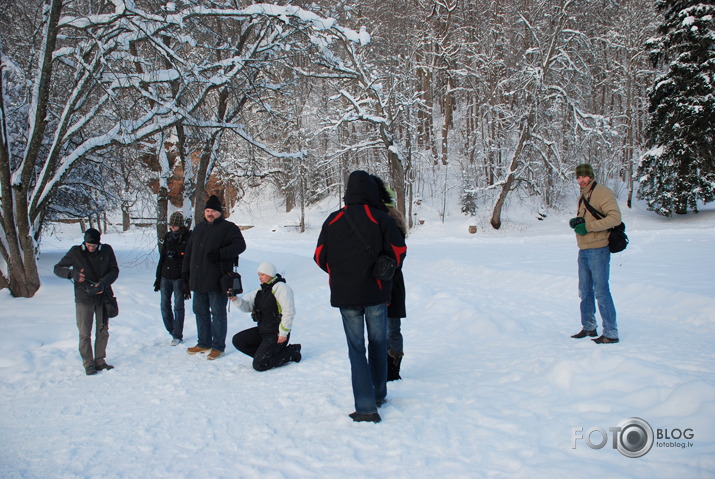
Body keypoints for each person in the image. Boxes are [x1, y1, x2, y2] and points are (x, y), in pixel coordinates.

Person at [314, 170, 407, 423]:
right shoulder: (380, 219)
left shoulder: (333, 220)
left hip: (346, 296)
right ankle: (378, 395)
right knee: (377, 345)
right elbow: (399, 251)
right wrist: (383, 271)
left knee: (356, 350)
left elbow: (319, 256)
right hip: (376, 293)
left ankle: (366, 407)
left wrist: (340, 274)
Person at [183, 195, 246, 360]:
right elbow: (188, 253)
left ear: (219, 213)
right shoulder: (198, 229)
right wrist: (185, 275)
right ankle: (203, 343)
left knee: (218, 314)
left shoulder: (228, 228)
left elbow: (240, 245)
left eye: (213, 211)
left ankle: (218, 347)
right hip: (198, 279)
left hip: (217, 279)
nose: (210, 214)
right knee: (200, 311)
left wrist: (220, 254)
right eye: (207, 210)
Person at [54, 228, 120, 375]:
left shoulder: (107, 250)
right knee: (84, 333)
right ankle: (88, 363)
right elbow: (57, 268)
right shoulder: (75, 252)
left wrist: (103, 284)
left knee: (102, 330)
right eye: (89, 245)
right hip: (83, 298)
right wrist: (72, 274)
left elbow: (114, 270)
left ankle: (99, 360)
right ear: (84, 242)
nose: (91, 248)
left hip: (103, 296)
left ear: (99, 243)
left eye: (94, 246)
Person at [569, 163, 621, 344]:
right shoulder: (583, 194)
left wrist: (588, 227)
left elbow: (615, 218)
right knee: (584, 290)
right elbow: (590, 216)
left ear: (591, 176)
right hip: (583, 249)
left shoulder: (602, 193)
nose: (581, 180)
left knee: (601, 291)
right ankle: (589, 326)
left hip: (598, 249)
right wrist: (578, 222)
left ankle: (611, 333)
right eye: (578, 177)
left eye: (584, 177)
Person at [229, 262, 302, 371]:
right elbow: (248, 307)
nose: (260, 278)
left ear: (270, 273)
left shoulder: (281, 288)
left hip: (277, 334)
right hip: (263, 331)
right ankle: (266, 357)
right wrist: (235, 299)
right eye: (259, 275)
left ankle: (291, 352)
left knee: (259, 366)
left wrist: (283, 333)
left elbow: (289, 311)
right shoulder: (261, 291)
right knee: (238, 340)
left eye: (262, 275)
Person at [371, 175, 408, 381]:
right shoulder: (389, 219)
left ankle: (392, 367)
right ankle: (390, 366)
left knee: (391, 328)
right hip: (391, 281)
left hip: (391, 282)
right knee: (389, 327)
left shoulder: (390, 221)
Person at [154, 211, 191, 346]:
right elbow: (162, 257)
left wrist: (178, 254)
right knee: (164, 305)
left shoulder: (187, 237)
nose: (172, 228)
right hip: (165, 275)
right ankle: (172, 329)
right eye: (171, 225)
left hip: (179, 277)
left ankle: (177, 334)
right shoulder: (168, 236)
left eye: (175, 226)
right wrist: (158, 277)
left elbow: (188, 257)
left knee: (178, 305)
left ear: (180, 226)